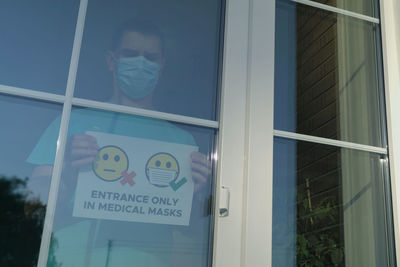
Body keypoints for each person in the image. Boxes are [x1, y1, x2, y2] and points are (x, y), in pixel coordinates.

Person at [28, 19, 212, 266]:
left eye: (150, 57)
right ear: (111, 61)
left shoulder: (181, 140)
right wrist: (67, 177)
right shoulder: (72, 122)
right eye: (130, 54)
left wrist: (196, 193)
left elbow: (192, 229)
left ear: (162, 64)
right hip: (68, 259)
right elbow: (31, 207)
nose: (141, 63)